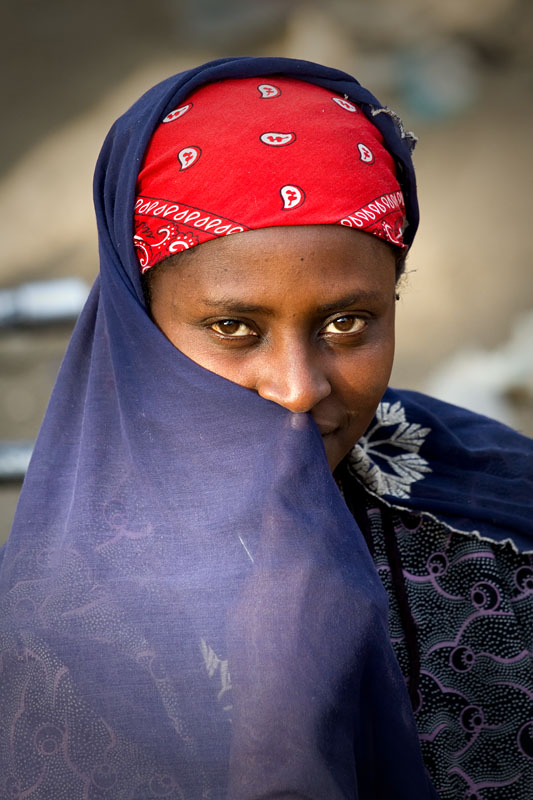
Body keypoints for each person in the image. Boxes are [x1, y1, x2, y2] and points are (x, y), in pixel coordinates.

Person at [0, 56, 531, 800]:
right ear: (138, 324)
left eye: (348, 323)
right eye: (232, 327)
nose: (295, 390)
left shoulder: (494, 519)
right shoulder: (54, 635)